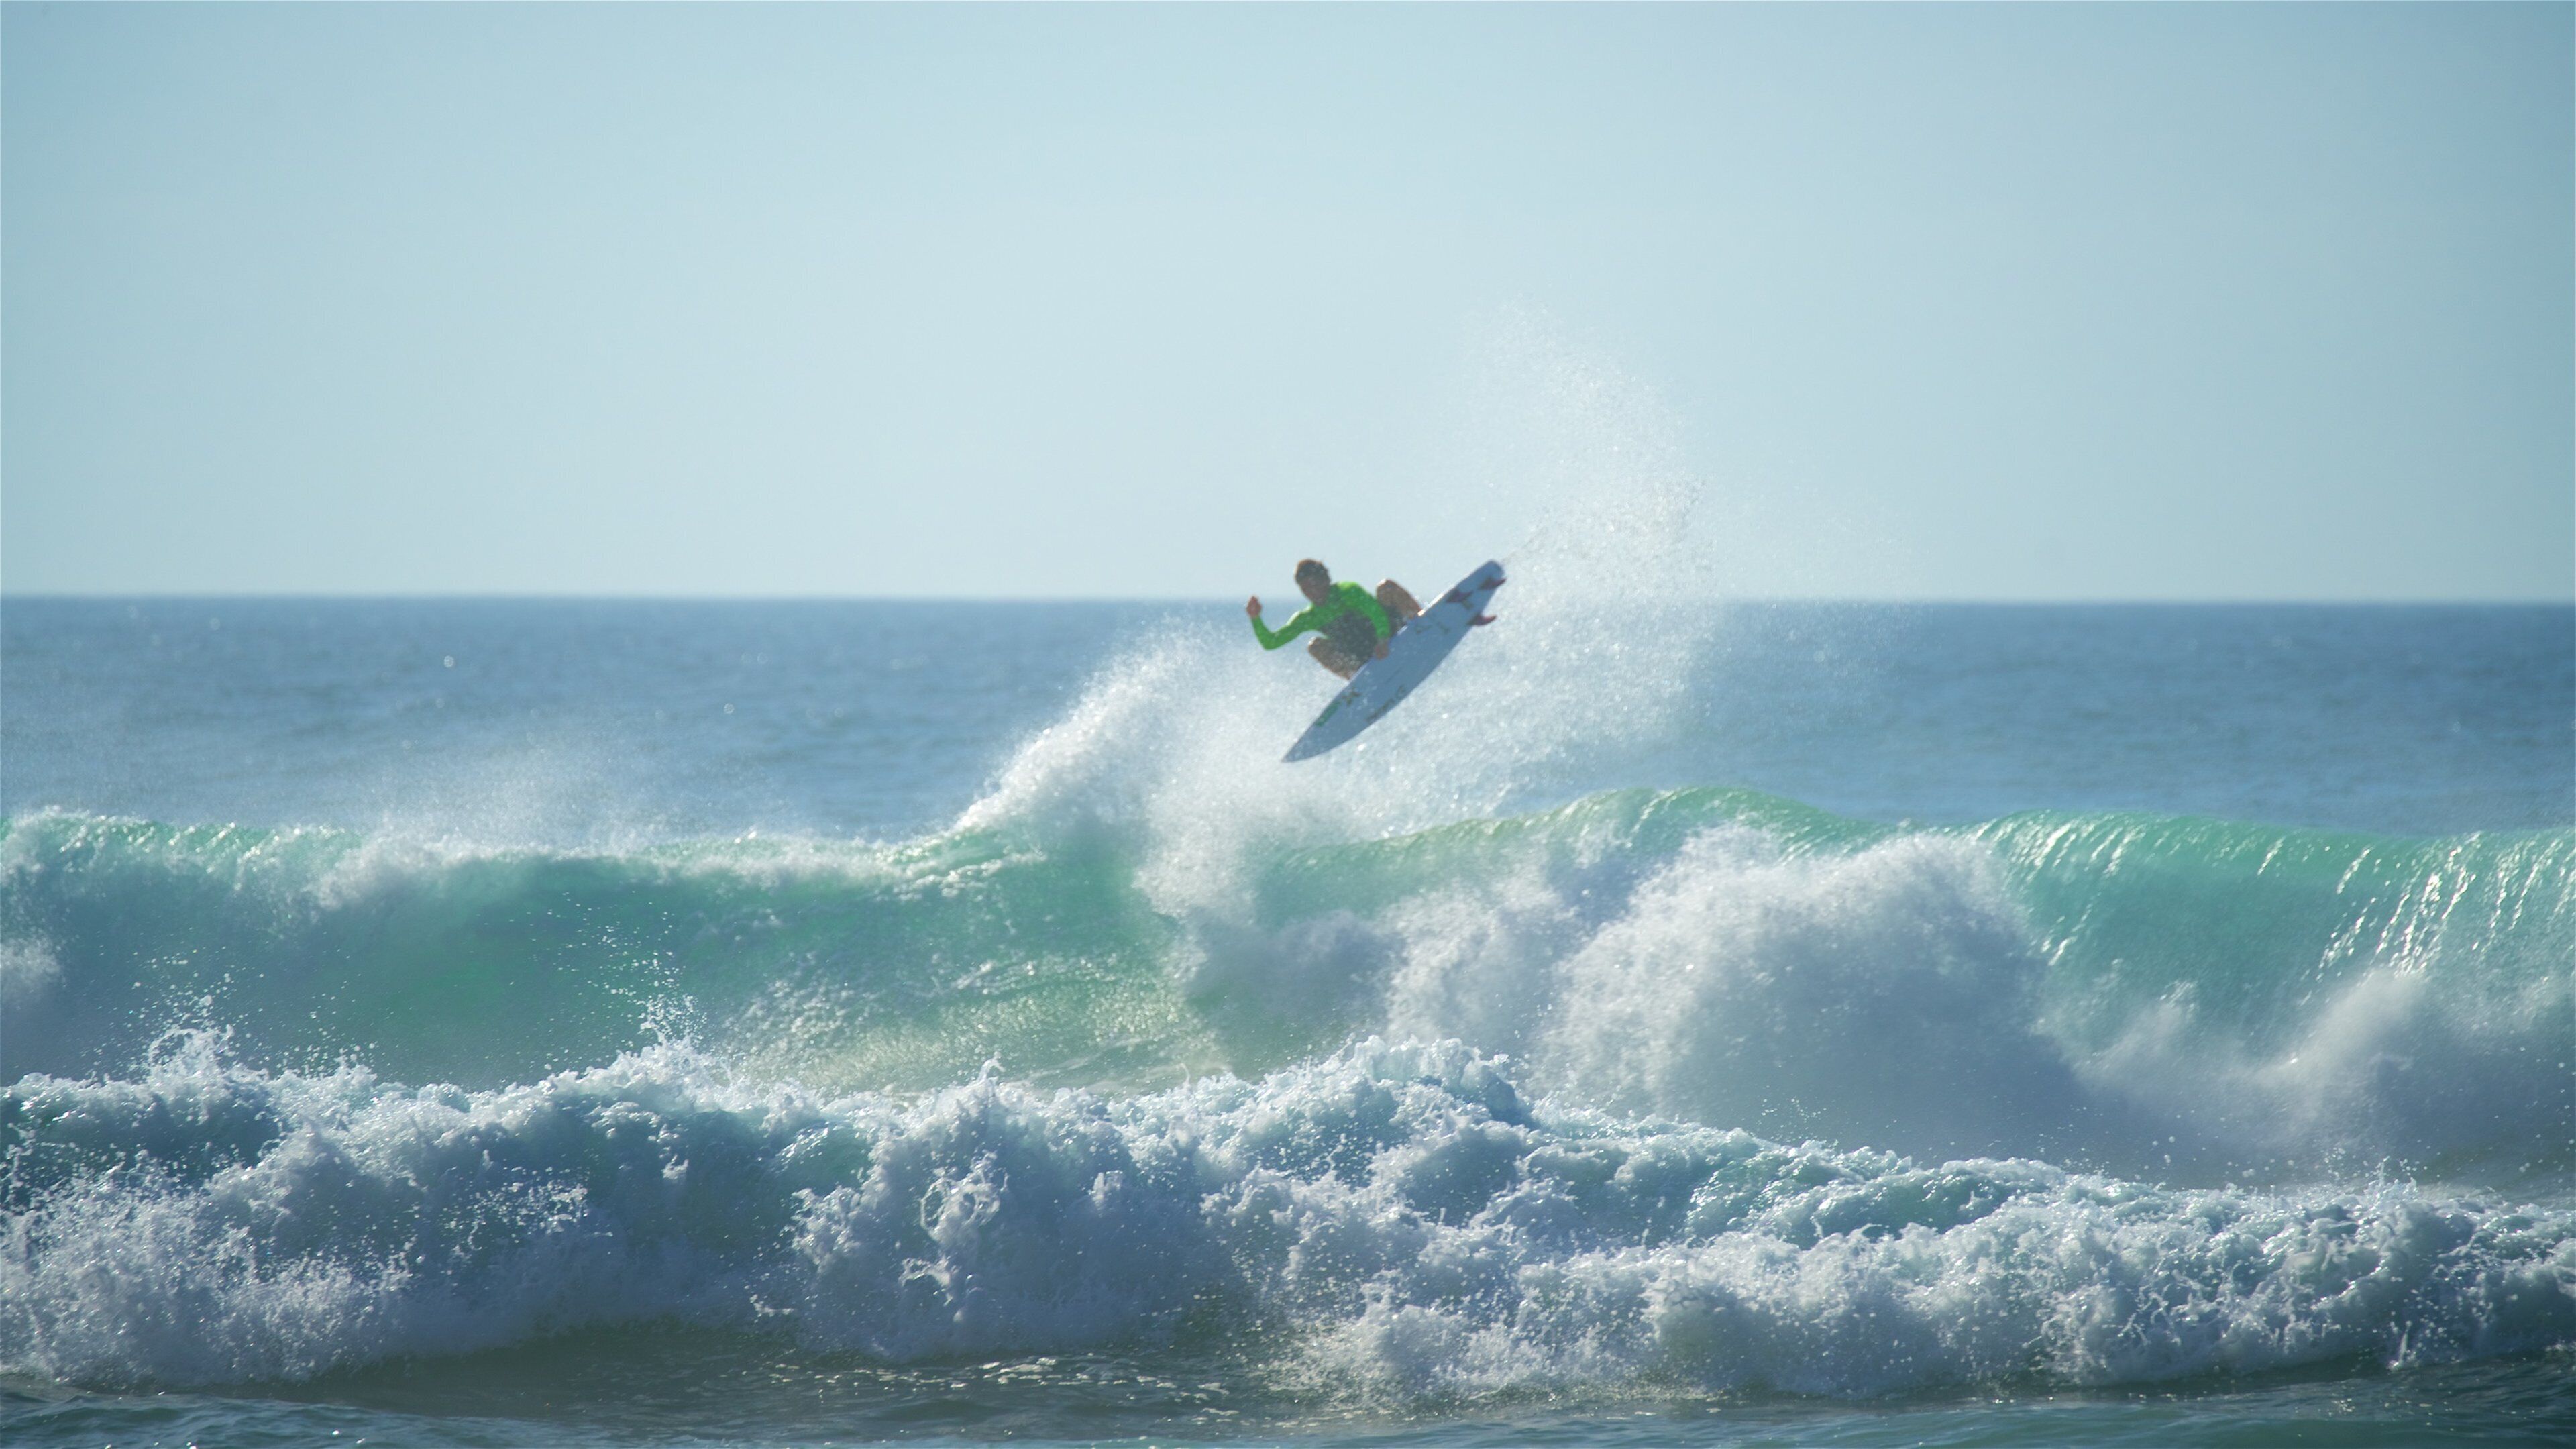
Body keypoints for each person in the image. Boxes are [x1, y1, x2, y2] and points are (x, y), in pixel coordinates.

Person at [1246, 559, 1423, 679]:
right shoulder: (1309, 617)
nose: (1312, 592)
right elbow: (1271, 643)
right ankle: (1359, 679)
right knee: (1315, 646)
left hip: (1392, 633)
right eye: (1306, 589)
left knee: (1386, 588)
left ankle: (1424, 625)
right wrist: (1256, 618)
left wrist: (1383, 639)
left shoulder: (1347, 591)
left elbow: (1376, 612)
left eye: (1315, 585)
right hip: (1365, 656)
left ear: (1326, 580)